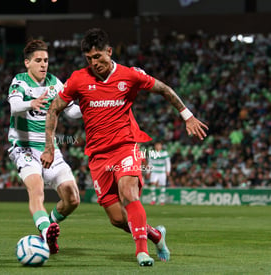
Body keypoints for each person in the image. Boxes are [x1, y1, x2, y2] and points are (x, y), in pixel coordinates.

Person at [41, 28, 208, 266]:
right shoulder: (78, 79)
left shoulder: (130, 76)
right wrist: (49, 147)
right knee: (118, 219)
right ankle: (156, 235)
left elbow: (164, 89)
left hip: (126, 146)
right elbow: (54, 109)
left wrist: (187, 116)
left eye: (98, 56)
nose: (94, 62)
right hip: (98, 156)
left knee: (128, 193)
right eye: (89, 59)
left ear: (109, 52)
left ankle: (142, 252)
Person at [7, 40, 81, 254]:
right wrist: (32, 103)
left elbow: (71, 112)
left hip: (49, 148)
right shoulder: (20, 81)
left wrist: (90, 105)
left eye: (46, 60)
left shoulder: (55, 83)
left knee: (72, 198)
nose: (43, 65)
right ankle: (46, 232)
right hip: (24, 147)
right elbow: (13, 106)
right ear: (27, 63)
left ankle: (47, 227)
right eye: (38, 60)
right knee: (37, 189)